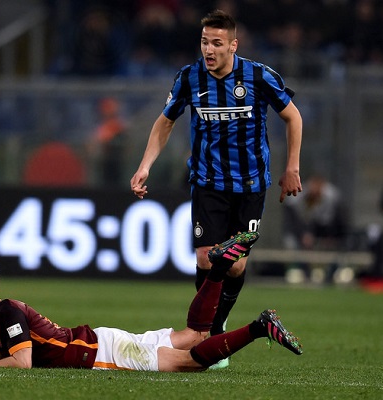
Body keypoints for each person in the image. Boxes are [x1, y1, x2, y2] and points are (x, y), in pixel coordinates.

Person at [129, 9, 303, 368]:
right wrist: (145, 166)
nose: (209, 50)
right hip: (208, 183)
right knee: (206, 258)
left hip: (250, 186)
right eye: (205, 42)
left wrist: (292, 167)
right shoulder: (189, 78)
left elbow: (293, 116)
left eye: (217, 43)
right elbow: (165, 122)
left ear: (233, 45)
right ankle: (208, 333)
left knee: (235, 266)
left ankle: (216, 325)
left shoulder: (258, 76)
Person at [0, 232, 303, 371]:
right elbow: (12, 357)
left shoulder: (6, 311)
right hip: (100, 341)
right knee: (195, 334)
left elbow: (21, 363)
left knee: (191, 361)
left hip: (102, 354)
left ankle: (258, 327)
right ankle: (218, 270)